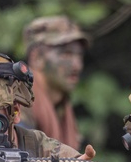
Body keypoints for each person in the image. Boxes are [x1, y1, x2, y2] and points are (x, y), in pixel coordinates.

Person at [19, 16, 89, 150]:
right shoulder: (17, 104)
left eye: (79, 55)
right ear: (37, 58)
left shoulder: (61, 106)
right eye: (66, 54)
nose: (77, 66)